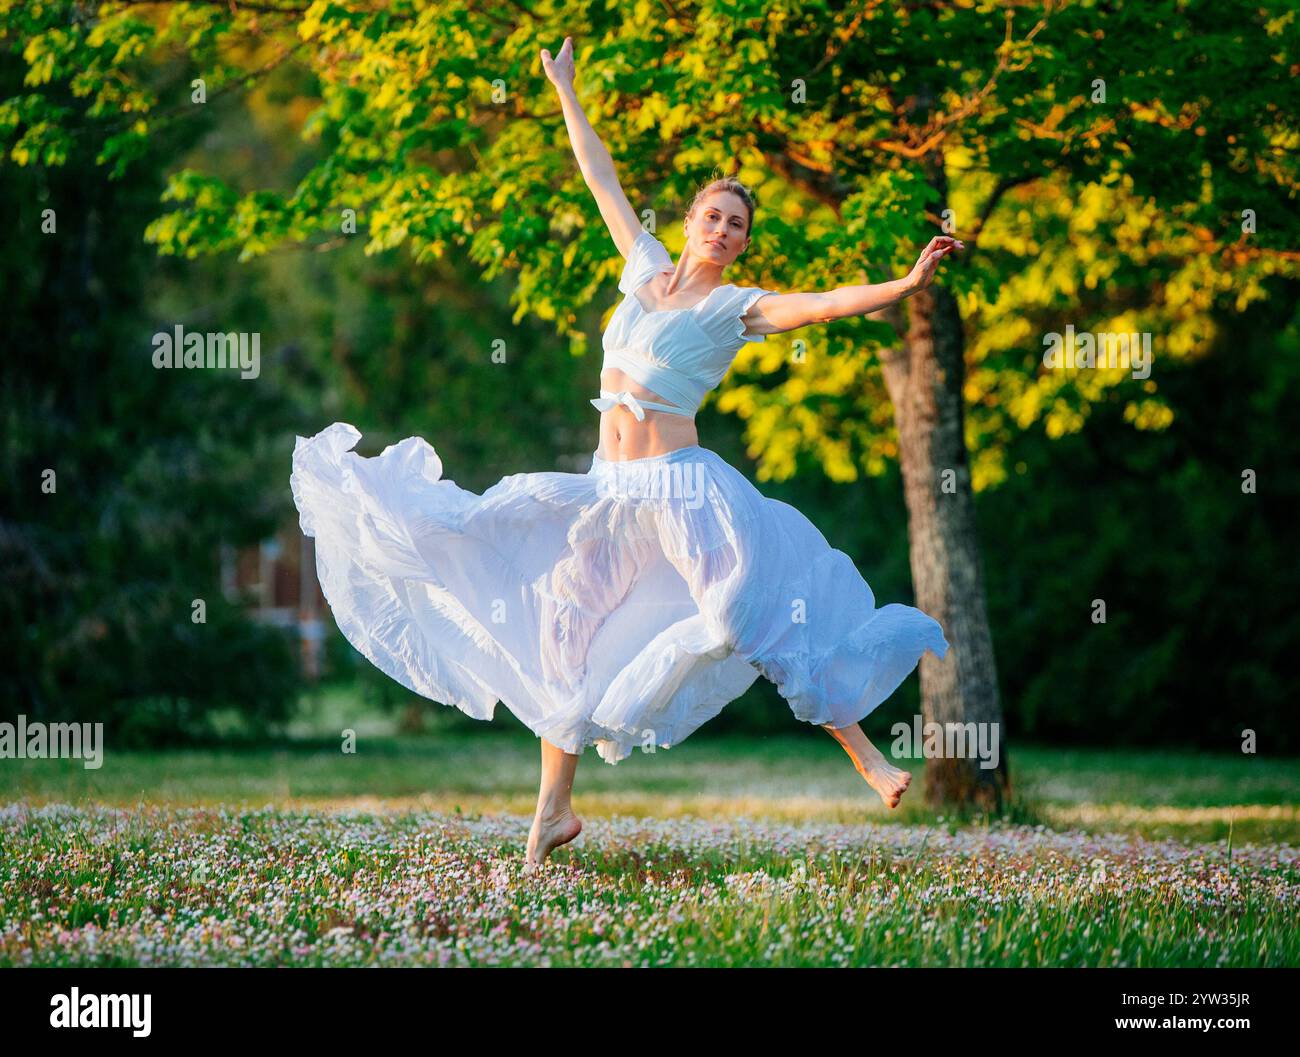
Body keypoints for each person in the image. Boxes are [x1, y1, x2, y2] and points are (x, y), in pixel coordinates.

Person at [290, 37, 958, 869]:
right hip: (610, 490)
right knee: (561, 628)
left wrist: (903, 284)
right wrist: (566, 89)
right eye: (713, 215)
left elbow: (822, 304)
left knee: (743, 615)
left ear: (744, 244)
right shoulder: (641, 269)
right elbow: (598, 177)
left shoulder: (735, 307)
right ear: (687, 222)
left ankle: (866, 754)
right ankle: (553, 812)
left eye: (737, 224)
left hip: (681, 491)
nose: (722, 229)